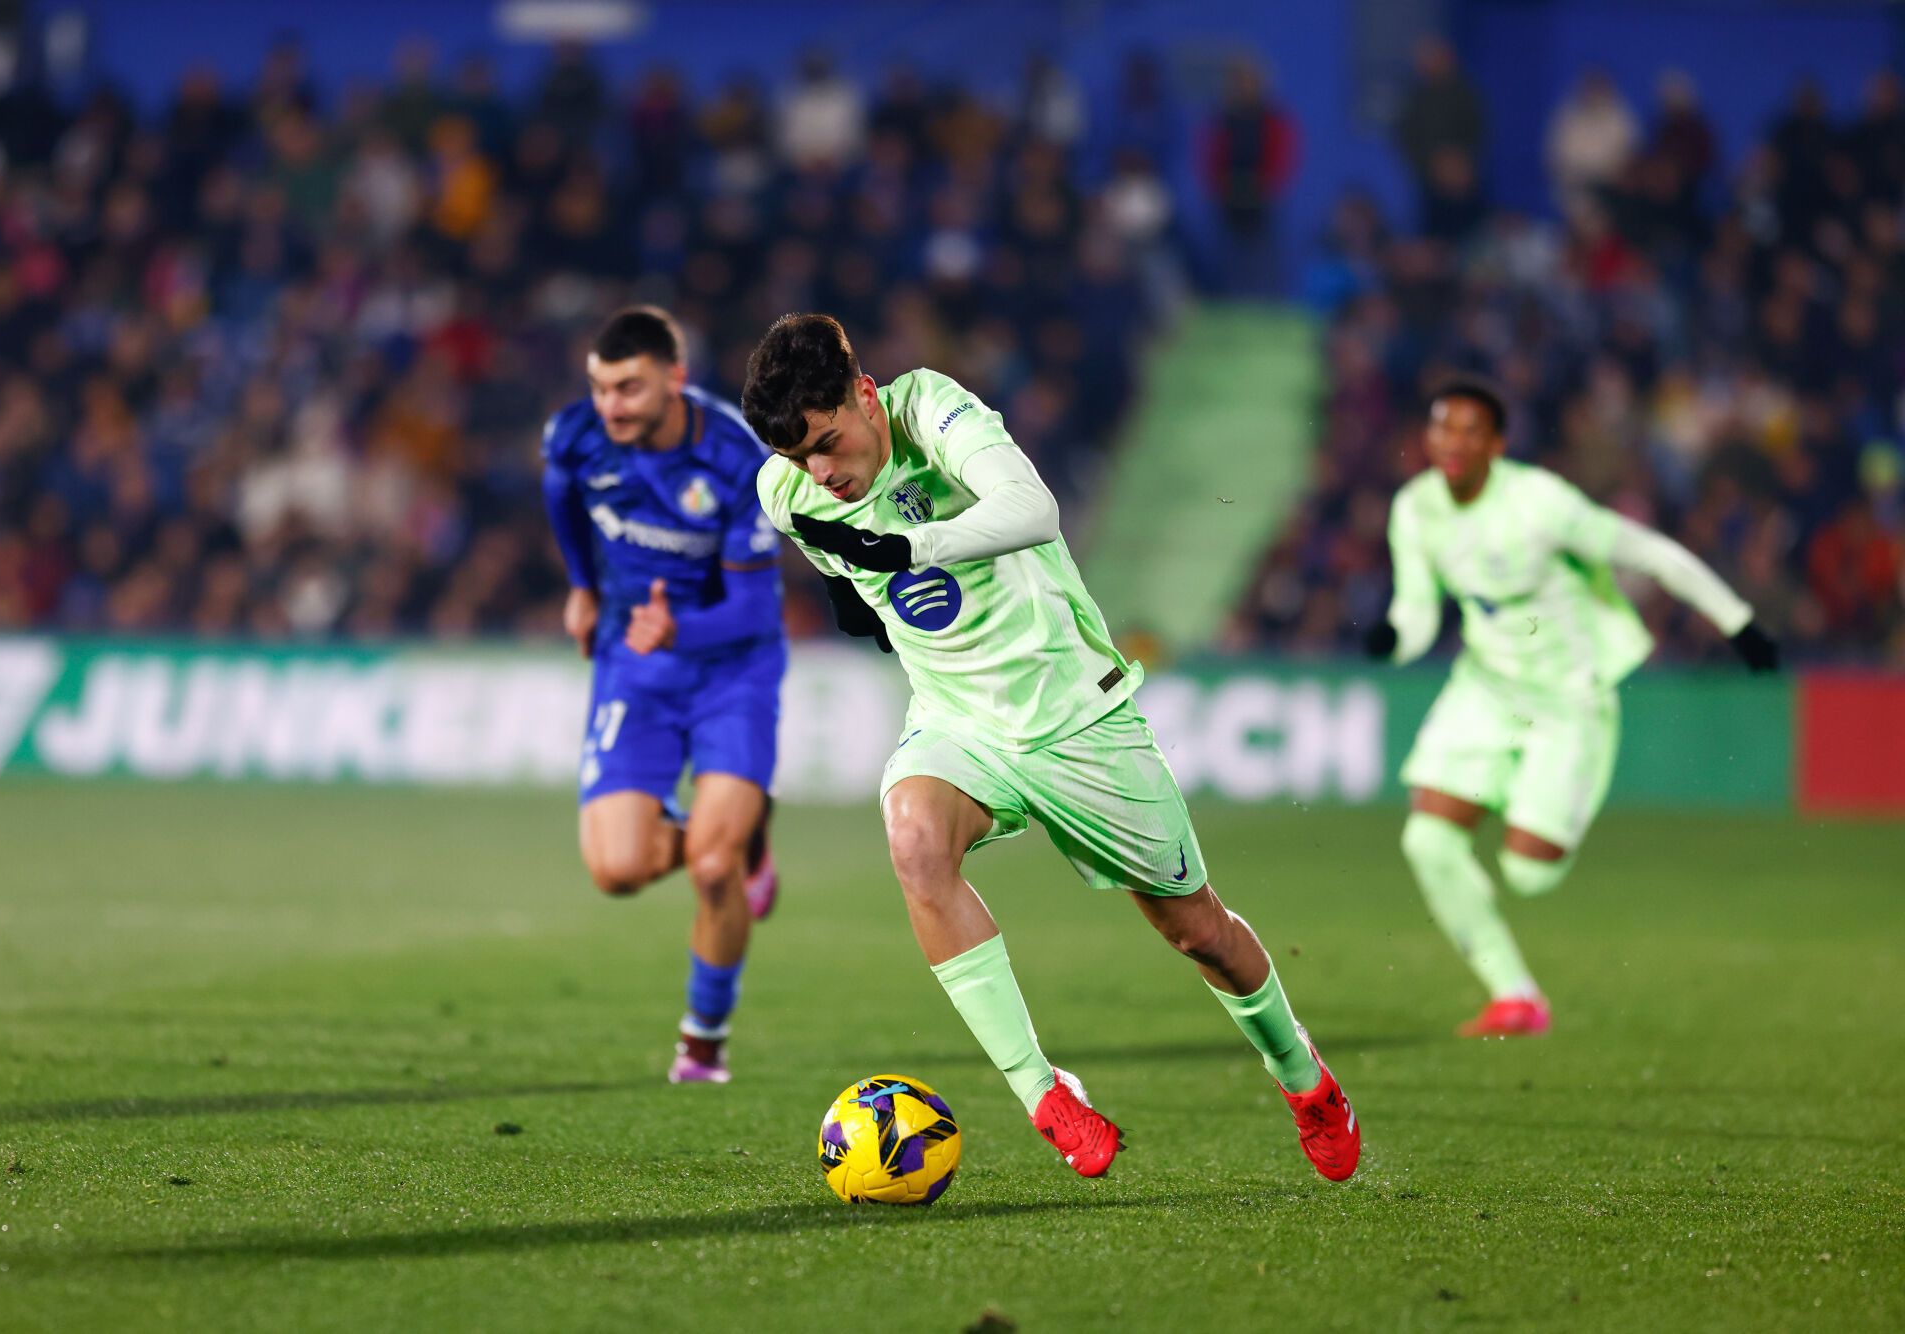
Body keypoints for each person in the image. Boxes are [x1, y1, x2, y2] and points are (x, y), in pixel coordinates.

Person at [740, 313, 1359, 1182]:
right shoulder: (790, 491)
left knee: (1196, 930)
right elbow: (844, 570)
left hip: (1076, 716)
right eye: (800, 457)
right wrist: (860, 587)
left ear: (866, 398)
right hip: (959, 720)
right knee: (916, 843)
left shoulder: (933, 411)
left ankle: (1304, 1078)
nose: (821, 474)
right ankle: (1044, 1092)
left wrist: (907, 547)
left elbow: (1033, 510)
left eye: (830, 443)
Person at [1366, 379, 1779, 1037]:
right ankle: (1515, 996)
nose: (1453, 441)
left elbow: (1650, 553)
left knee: (1528, 874)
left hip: (1568, 699)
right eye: (1443, 426)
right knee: (1427, 839)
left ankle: (1519, 792)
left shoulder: (1540, 503)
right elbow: (1416, 608)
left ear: (1497, 445)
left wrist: (1739, 622)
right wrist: (1392, 640)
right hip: (1486, 687)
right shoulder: (1416, 507)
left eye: (1471, 430)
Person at [540, 306, 786, 1084]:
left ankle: (702, 1043)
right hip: (632, 664)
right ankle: (740, 828)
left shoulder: (736, 461)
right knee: (616, 871)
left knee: (713, 870)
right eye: (602, 387)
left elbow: (756, 608)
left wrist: (676, 630)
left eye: (630, 388)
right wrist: (582, 587)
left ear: (675, 379)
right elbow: (560, 497)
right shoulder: (574, 437)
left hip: (730, 669)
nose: (611, 405)